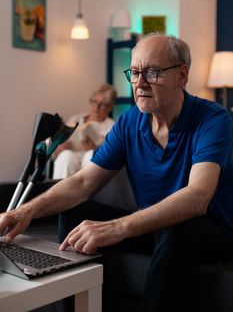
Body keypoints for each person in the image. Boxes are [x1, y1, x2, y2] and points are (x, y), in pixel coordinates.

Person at [1, 33, 233, 312]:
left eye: (152, 72)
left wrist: (118, 227)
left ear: (181, 75)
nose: (140, 83)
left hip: (209, 231)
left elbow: (197, 197)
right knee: (77, 212)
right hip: (156, 228)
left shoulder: (213, 120)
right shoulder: (129, 122)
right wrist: (24, 212)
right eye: (134, 73)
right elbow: (84, 181)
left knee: (176, 230)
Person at [52, 83, 116, 179]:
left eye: (102, 104)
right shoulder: (75, 119)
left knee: (91, 155)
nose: (96, 107)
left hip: (90, 164)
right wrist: (59, 147)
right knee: (65, 156)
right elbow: (56, 150)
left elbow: (112, 157)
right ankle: (59, 192)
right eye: (94, 101)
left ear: (110, 107)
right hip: (71, 159)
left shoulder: (112, 127)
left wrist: (95, 149)